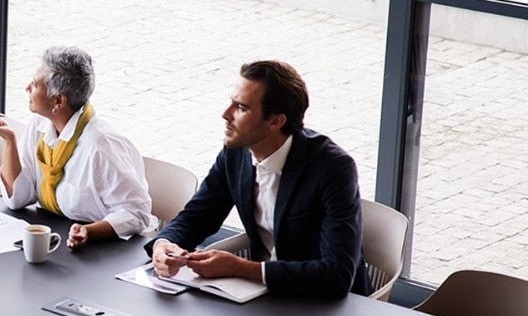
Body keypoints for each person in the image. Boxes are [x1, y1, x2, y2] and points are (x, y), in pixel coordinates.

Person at [145, 60, 369, 298]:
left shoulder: (333, 168)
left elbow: (336, 275)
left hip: (323, 305)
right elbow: (197, 216)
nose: (225, 114)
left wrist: (240, 268)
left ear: (275, 121)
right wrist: (164, 244)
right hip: (259, 297)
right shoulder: (236, 152)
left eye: (241, 107)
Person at [0, 46, 153, 250]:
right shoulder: (39, 125)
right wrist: (9, 141)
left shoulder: (101, 147)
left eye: (35, 85)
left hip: (100, 251)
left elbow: (136, 212)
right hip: (58, 241)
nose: (27, 87)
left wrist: (89, 232)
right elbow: (17, 199)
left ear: (58, 101)